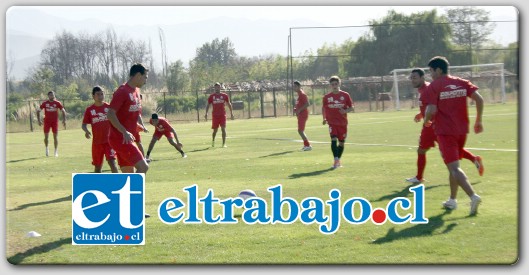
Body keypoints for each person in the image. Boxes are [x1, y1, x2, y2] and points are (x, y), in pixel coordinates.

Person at [423, 56, 484, 215]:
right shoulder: (461, 82)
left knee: (454, 168)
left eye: (431, 71)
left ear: (439, 70)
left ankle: (473, 196)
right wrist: (479, 120)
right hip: (462, 130)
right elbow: (479, 99)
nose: (430, 75)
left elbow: (431, 109)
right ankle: (452, 200)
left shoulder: (434, 86)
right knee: (453, 166)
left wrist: (426, 121)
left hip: (445, 132)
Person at [406, 68, 484, 184]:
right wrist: (421, 114)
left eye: (415, 78)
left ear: (423, 78)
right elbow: (429, 106)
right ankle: (473, 159)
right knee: (449, 150)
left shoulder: (428, 88)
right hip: (434, 124)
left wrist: (427, 119)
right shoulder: (423, 89)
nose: (412, 80)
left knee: (428, 151)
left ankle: (420, 178)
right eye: (411, 78)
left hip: (433, 126)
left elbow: (435, 106)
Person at [106, 63, 149, 174]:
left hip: (127, 138)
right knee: (143, 167)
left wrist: (137, 125)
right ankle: (134, 190)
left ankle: (118, 191)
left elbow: (131, 113)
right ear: (138, 75)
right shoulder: (122, 91)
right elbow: (110, 114)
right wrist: (124, 131)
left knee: (128, 175)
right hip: (120, 139)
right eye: (145, 77)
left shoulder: (136, 91)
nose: (146, 81)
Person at [81, 86, 119, 173]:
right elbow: (83, 125)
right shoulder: (89, 110)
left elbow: (117, 120)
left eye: (102, 94)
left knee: (112, 162)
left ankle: (118, 183)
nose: (100, 96)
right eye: (98, 94)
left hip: (110, 141)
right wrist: (86, 131)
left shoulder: (109, 108)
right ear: (93, 96)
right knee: (97, 167)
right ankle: (98, 185)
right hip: (97, 143)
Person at [322, 76, 354, 169]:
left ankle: (337, 161)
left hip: (342, 123)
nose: (334, 86)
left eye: (336, 84)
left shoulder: (345, 95)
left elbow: (352, 107)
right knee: (333, 139)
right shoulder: (327, 97)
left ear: (339, 84)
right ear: (330, 86)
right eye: (332, 84)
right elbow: (324, 108)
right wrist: (324, 118)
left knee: (341, 143)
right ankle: (336, 160)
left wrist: (345, 111)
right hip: (332, 123)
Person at [37, 91, 66, 157]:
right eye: (50, 95)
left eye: (52, 95)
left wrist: (64, 120)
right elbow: (38, 111)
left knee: (55, 137)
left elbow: (63, 111)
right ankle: (47, 149)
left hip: (54, 122)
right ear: (48, 96)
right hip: (47, 122)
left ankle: (56, 151)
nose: (51, 96)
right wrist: (39, 120)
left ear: (54, 95)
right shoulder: (45, 103)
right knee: (46, 137)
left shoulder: (57, 103)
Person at [204, 82, 234, 148]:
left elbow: (229, 104)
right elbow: (208, 105)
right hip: (215, 115)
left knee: (223, 129)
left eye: (218, 87)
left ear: (220, 87)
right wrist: (206, 113)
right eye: (216, 87)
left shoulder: (224, 95)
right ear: (214, 88)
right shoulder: (212, 96)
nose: (217, 88)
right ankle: (213, 141)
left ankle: (223, 144)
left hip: (222, 115)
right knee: (215, 130)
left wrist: (231, 113)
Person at [293, 81, 312, 151]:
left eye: (295, 86)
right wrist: (296, 109)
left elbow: (307, 103)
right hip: (300, 115)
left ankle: (308, 145)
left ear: (299, 87)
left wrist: (299, 110)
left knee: (300, 130)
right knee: (301, 130)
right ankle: (306, 145)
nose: (294, 88)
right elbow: (299, 105)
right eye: (293, 86)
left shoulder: (302, 94)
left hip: (303, 115)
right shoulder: (299, 95)